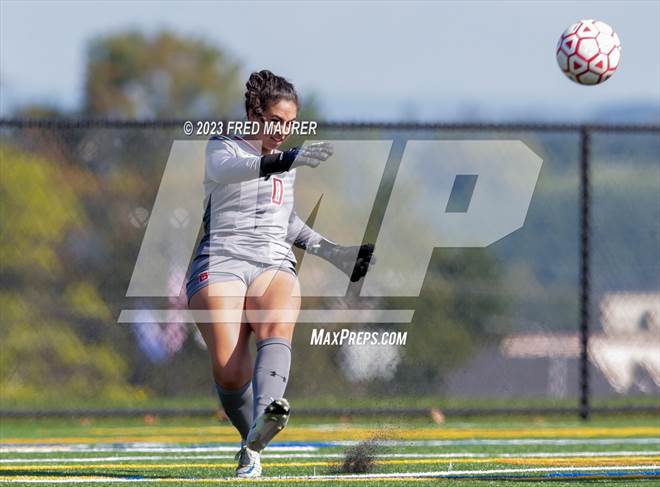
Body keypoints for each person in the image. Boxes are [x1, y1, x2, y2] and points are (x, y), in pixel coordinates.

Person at [186, 69, 375, 478]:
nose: (282, 131)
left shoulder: (285, 162)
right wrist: (287, 159)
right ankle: (250, 437)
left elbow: (285, 221)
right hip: (220, 262)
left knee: (276, 322)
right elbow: (241, 170)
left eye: (289, 124)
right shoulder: (221, 147)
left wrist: (335, 253)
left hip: (273, 261)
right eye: (275, 121)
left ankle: (258, 437)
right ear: (254, 113)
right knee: (230, 371)